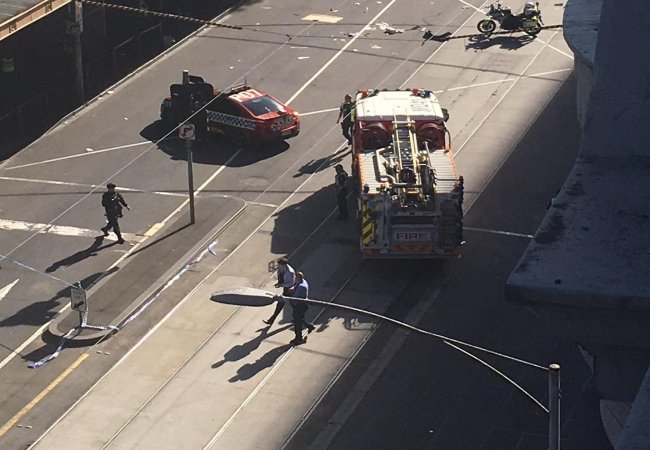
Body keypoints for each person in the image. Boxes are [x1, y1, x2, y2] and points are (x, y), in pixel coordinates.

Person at [263, 258, 295, 325]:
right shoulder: (281, 269)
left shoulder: (290, 272)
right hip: (286, 290)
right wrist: (279, 283)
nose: (278, 266)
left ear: (284, 265)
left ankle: (301, 320)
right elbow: (280, 276)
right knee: (282, 304)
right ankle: (271, 320)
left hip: (290, 290)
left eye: (279, 265)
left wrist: (281, 285)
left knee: (292, 305)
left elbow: (291, 283)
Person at [289, 272, 314, 345]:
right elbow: (295, 285)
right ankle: (309, 326)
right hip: (301, 305)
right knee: (299, 318)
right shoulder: (303, 281)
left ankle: (299, 338)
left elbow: (295, 297)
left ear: (298, 278)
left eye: (295, 278)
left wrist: (290, 294)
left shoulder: (301, 287)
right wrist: (293, 288)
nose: (294, 279)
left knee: (297, 322)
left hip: (300, 306)